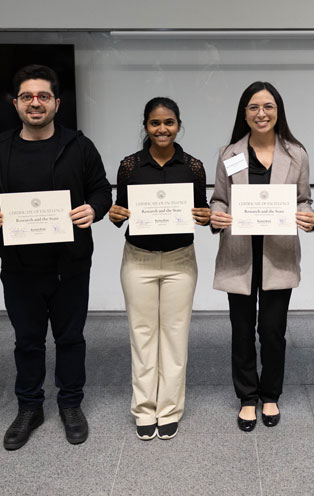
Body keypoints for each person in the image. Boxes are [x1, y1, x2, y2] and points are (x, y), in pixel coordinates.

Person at [0, 64, 111, 451]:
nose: (36, 103)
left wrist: (93, 210)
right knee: (27, 341)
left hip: (71, 266)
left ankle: (70, 405)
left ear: (56, 103)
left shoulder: (79, 146)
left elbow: (101, 191)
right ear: (16, 104)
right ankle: (30, 408)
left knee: (70, 339)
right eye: (28, 97)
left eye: (43, 96)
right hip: (19, 268)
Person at [210, 82, 314, 432]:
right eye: (254, 107)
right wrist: (216, 215)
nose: (261, 113)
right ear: (244, 113)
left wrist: (308, 215)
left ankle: (270, 393)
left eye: (268, 106)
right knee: (241, 330)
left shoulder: (296, 153)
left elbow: (303, 200)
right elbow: (220, 200)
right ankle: (247, 397)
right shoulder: (230, 153)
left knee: (272, 330)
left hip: (278, 253)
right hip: (239, 251)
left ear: (278, 111)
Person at [108, 97, 210, 441]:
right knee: (142, 335)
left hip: (181, 260)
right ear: (146, 126)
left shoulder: (193, 166)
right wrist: (114, 214)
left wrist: (206, 216)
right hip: (138, 259)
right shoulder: (129, 166)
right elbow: (120, 209)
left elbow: (202, 209)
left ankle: (169, 409)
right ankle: (143, 409)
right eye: (155, 123)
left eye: (169, 122)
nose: (162, 129)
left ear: (179, 125)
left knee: (175, 335)